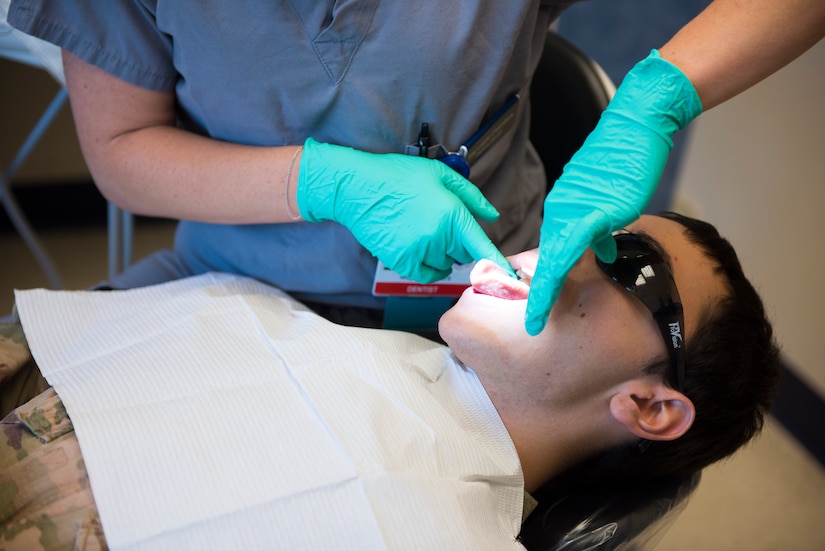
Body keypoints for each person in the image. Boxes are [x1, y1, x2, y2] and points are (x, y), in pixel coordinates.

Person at [5, 1, 824, 336]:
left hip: (470, 296)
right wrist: (322, 182)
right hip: (227, 277)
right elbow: (121, 150)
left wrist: (657, 98)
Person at [0, 212, 780, 549]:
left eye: (624, 260)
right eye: (592, 221)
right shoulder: (318, 325)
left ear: (647, 404)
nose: (569, 239)